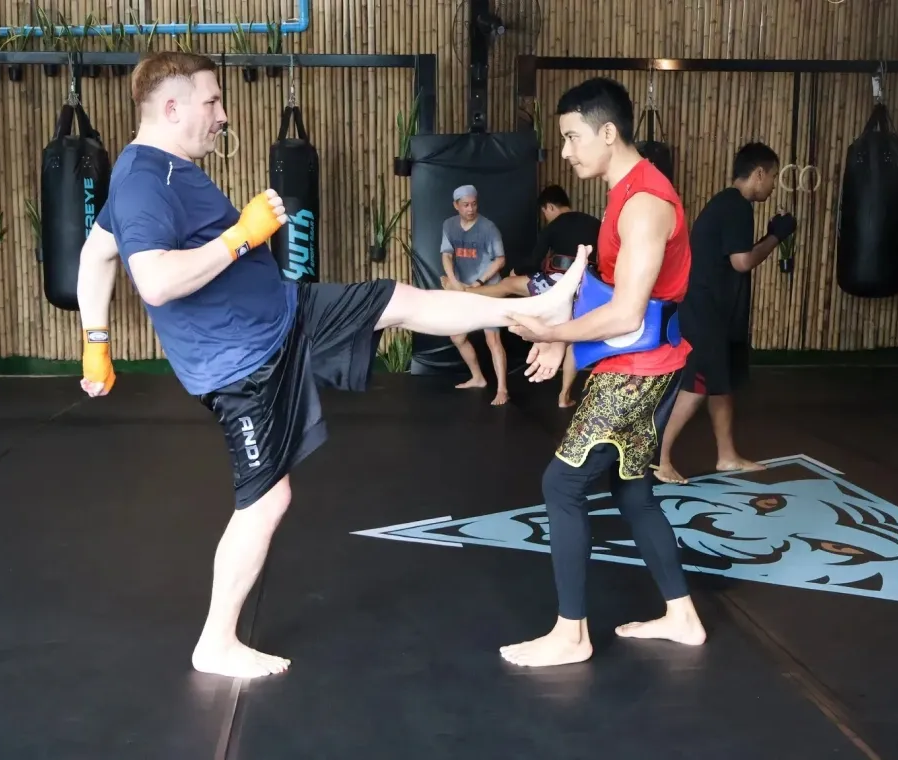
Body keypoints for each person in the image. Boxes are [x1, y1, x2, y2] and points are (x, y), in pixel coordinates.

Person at [74, 51, 586, 680]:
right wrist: (244, 234)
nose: (223, 114)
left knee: (398, 301)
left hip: (285, 312)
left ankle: (538, 310)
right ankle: (215, 641)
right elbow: (153, 281)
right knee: (266, 502)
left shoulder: (161, 170)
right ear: (173, 107)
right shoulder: (146, 179)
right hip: (245, 363)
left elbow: (96, 254)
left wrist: (95, 338)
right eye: (212, 101)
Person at [495, 77, 707, 669]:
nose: (565, 151)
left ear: (608, 133)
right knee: (633, 491)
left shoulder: (643, 203)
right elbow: (609, 293)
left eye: (571, 137)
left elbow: (628, 311)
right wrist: (566, 324)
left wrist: (552, 335)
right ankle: (683, 617)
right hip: (640, 364)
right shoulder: (623, 193)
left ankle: (571, 634)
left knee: (561, 486)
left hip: (638, 371)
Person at [653, 143, 796, 485]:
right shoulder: (736, 207)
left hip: (711, 309)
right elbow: (742, 261)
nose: (774, 184)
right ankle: (659, 458)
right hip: (703, 311)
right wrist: (776, 236)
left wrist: (770, 234)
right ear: (758, 173)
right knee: (698, 385)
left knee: (722, 383)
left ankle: (727, 456)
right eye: (773, 176)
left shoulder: (727, 204)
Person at [444, 185, 600, 407]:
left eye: (545, 212)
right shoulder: (595, 223)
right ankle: (564, 396)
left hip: (556, 286)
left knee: (507, 285)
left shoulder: (554, 226)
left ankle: (466, 291)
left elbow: (534, 262)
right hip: (590, 290)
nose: (546, 217)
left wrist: (517, 270)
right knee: (571, 342)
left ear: (550, 207)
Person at [439, 185, 510, 405]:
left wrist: (479, 283)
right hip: (463, 289)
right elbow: (446, 255)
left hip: (487, 289)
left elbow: (500, 260)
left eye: (474, 204)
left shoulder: (489, 228)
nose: (471, 209)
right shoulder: (449, 225)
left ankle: (502, 390)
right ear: (456, 205)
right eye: (466, 205)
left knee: (493, 339)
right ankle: (478, 377)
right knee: (457, 337)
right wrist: (453, 281)